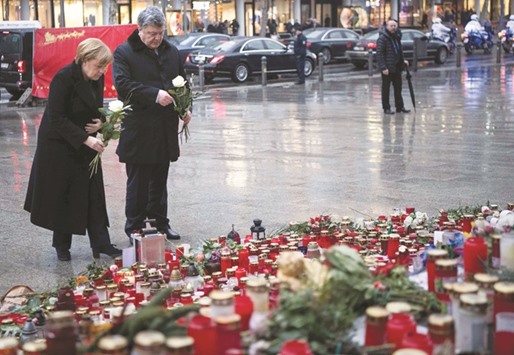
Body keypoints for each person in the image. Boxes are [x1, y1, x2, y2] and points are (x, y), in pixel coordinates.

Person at [24, 38, 122, 261]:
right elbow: (56, 117)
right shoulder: (64, 77)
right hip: (60, 144)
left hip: (85, 140)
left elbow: (95, 108)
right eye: (99, 65)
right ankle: (62, 246)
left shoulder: (95, 78)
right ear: (85, 60)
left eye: (105, 66)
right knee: (64, 193)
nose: (102, 71)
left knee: (94, 192)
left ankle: (101, 243)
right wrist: (86, 140)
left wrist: (102, 122)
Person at [112, 6, 192, 241]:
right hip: (140, 129)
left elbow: (183, 84)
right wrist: (154, 94)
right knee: (138, 182)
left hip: (164, 129)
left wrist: (185, 108)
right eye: (152, 33)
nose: (157, 38)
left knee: (160, 179)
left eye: (160, 33)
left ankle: (160, 223)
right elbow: (123, 86)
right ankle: (134, 227)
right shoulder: (124, 53)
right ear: (140, 30)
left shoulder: (172, 52)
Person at [376, 19, 410, 115]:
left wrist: (403, 61)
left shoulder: (397, 37)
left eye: (395, 26)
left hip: (397, 67)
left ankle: (400, 107)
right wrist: (383, 67)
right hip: (387, 68)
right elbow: (379, 54)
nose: (393, 27)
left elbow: (398, 51)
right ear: (387, 26)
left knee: (398, 88)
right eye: (391, 26)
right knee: (386, 89)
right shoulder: (383, 38)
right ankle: (386, 108)